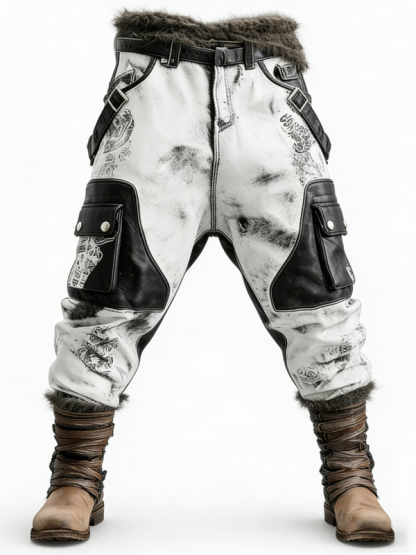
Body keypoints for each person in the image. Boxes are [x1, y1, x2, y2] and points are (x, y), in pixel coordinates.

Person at [30, 8, 394, 543]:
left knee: (316, 298)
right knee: (108, 299)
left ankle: (351, 480)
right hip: (154, 91)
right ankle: (74, 480)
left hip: (268, 91)